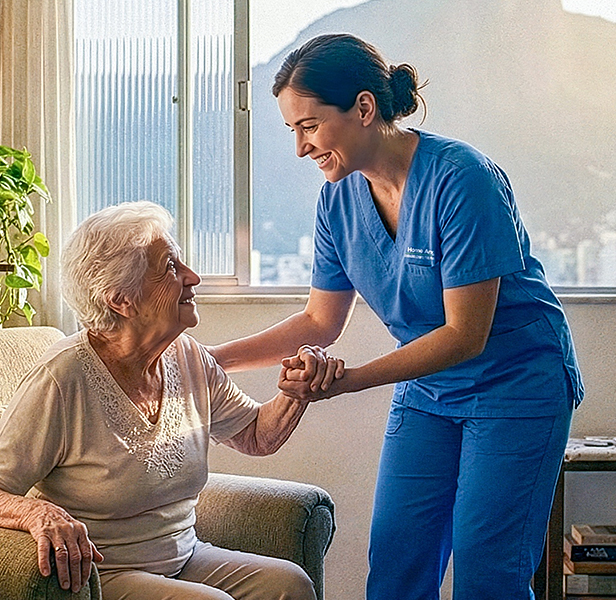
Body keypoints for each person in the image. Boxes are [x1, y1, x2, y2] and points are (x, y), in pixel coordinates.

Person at [207, 33, 584, 600]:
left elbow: (464, 334)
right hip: (429, 391)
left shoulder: (461, 179)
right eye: (292, 131)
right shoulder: (337, 200)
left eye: (309, 126)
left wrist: (347, 381)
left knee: (489, 573)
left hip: (516, 385)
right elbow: (318, 322)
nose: (300, 148)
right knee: (396, 566)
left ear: (363, 108)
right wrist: (205, 360)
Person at [0, 201, 319, 600]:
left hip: (185, 556)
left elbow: (254, 437)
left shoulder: (188, 355)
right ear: (121, 299)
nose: (192, 277)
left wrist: (294, 393)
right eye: (170, 268)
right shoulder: (62, 378)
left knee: (289, 585)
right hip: (104, 571)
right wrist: (39, 512)